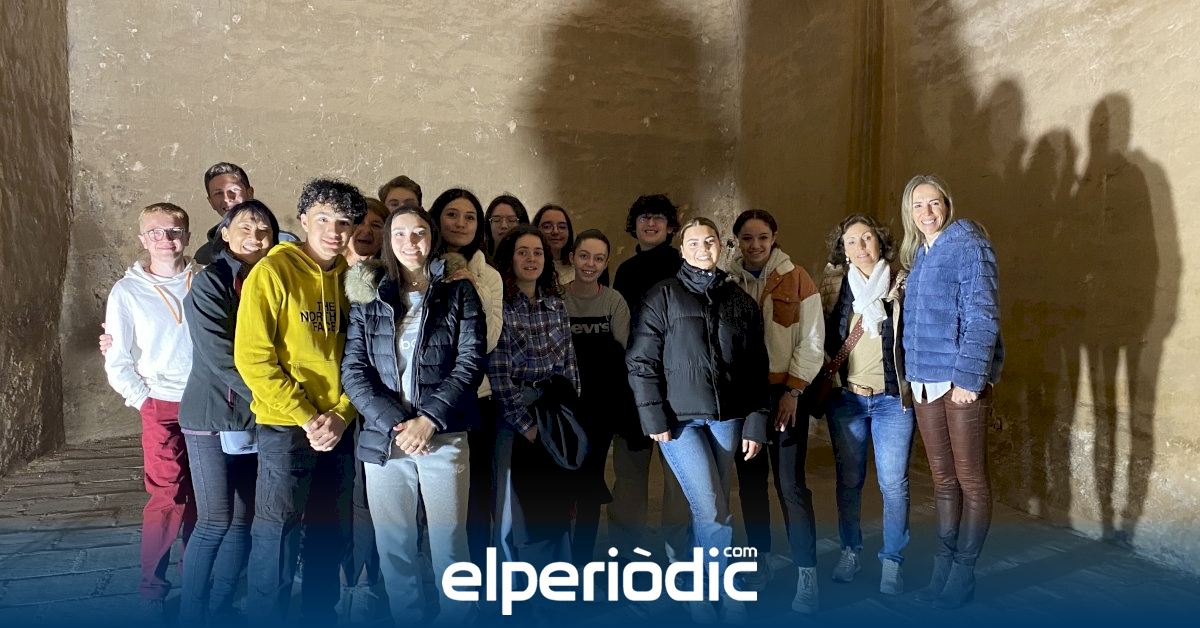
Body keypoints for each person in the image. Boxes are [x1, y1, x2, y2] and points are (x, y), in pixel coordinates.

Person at [342, 205, 487, 625]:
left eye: (419, 232)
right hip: (386, 440)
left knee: (449, 544)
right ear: (388, 240)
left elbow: (470, 362)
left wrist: (428, 421)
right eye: (400, 233)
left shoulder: (458, 292)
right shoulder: (368, 294)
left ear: (432, 237)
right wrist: (396, 424)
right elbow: (353, 370)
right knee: (395, 547)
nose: (410, 242)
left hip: (443, 434)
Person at [234, 178, 368, 622]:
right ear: (304, 220)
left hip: (339, 426)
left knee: (330, 531)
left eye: (344, 222)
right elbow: (254, 359)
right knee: (277, 533)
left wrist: (343, 414)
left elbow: (365, 358)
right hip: (287, 425)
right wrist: (308, 417)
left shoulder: (354, 280)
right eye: (324, 218)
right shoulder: (272, 273)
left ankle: (320, 615)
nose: (334, 230)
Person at [627, 217, 768, 624]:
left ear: (720, 246)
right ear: (682, 249)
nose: (702, 249)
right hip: (678, 423)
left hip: (727, 419)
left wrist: (756, 421)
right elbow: (640, 361)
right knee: (711, 510)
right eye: (693, 243)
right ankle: (718, 596)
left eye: (709, 241)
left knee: (711, 507)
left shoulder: (739, 299)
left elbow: (756, 367)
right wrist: (652, 415)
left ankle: (694, 583)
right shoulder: (662, 296)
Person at [899, 174, 1003, 609]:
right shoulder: (920, 255)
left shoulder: (968, 244)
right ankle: (941, 571)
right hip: (924, 381)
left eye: (934, 202)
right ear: (909, 213)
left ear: (947, 204)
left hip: (959, 383)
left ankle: (963, 575)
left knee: (970, 480)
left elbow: (983, 315)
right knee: (943, 481)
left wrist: (969, 379)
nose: (927, 212)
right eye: (918, 205)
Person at [177, 199, 279, 624]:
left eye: (264, 229)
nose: (255, 236)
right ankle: (191, 612)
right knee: (215, 519)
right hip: (213, 416)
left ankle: (221, 607)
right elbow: (218, 353)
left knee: (243, 520)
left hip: (255, 415)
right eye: (245, 227)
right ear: (225, 233)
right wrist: (270, 395)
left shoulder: (271, 279)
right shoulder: (212, 282)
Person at [726, 209, 824, 611]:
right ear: (737, 241)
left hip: (785, 395)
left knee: (790, 485)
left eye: (763, 237)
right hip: (743, 399)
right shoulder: (726, 282)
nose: (755, 245)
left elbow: (812, 341)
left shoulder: (797, 278)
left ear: (774, 237)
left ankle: (806, 572)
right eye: (747, 238)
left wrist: (794, 392)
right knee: (750, 484)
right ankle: (759, 560)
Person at [102, 202, 198, 617]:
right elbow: (118, 357)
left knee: (206, 497)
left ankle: (196, 582)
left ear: (187, 236)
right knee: (167, 496)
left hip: (205, 401)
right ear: (143, 239)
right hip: (160, 403)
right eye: (156, 232)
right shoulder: (126, 292)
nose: (166, 239)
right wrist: (143, 401)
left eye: (174, 231)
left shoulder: (205, 280)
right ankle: (152, 589)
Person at [818, 214, 915, 599]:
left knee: (894, 484)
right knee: (849, 480)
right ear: (842, 249)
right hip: (848, 399)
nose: (860, 247)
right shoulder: (834, 286)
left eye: (867, 238)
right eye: (851, 241)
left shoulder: (901, 282)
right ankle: (850, 550)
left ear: (880, 241)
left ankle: (892, 561)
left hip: (892, 400)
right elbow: (818, 334)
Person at [488, 226, 580, 570]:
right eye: (522, 252)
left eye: (538, 252)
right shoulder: (500, 306)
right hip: (515, 414)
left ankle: (557, 582)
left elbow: (569, 362)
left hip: (553, 410)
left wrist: (569, 413)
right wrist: (526, 425)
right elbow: (498, 374)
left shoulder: (555, 304)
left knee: (555, 504)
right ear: (509, 258)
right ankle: (514, 586)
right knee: (514, 510)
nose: (531, 259)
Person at [609, 194, 689, 563]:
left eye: (658, 217)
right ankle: (627, 556)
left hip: (676, 389)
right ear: (634, 224)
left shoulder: (682, 266)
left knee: (678, 479)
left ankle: (677, 557)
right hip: (632, 389)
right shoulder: (625, 271)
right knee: (629, 476)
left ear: (671, 226)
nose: (651, 223)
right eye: (644, 217)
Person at [427, 188, 505, 565]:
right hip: (422, 399)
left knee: (475, 498)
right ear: (436, 218)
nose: (460, 223)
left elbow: (489, 339)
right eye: (452, 214)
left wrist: (473, 290)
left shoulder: (489, 275)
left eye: (470, 217)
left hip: (474, 396)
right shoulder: (415, 262)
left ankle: (475, 581)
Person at [561, 229, 631, 565]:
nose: (591, 264)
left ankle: (582, 561)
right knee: (562, 483)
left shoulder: (614, 302)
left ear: (605, 263)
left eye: (599, 258)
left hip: (600, 410)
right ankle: (559, 560)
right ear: (572, 258)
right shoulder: (557, 298)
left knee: (590, 485)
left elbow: (624, 356)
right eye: (585, 256)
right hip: (563, 409)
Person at [194, 162, 297, 265]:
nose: (227, 198)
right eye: (218, 193)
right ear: (211, 202)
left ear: (250, 193)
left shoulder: (286, 243)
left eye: (234, 189)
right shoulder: (204, 257)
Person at [533, 203, 576, 286]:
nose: (555, 231)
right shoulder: (530, 267)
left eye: (562, 227)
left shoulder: (579, 267)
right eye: (547, 227)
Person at [344, 198, 388, 267]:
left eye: (375, 225)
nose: (366, 230)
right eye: (359, 222)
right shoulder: (330, 263)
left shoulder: (392, 271)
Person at [484, 193, 529, 259]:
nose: (504, 226)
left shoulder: (531, 259)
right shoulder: (479, 259)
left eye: (511, 220)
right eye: (497, 220)